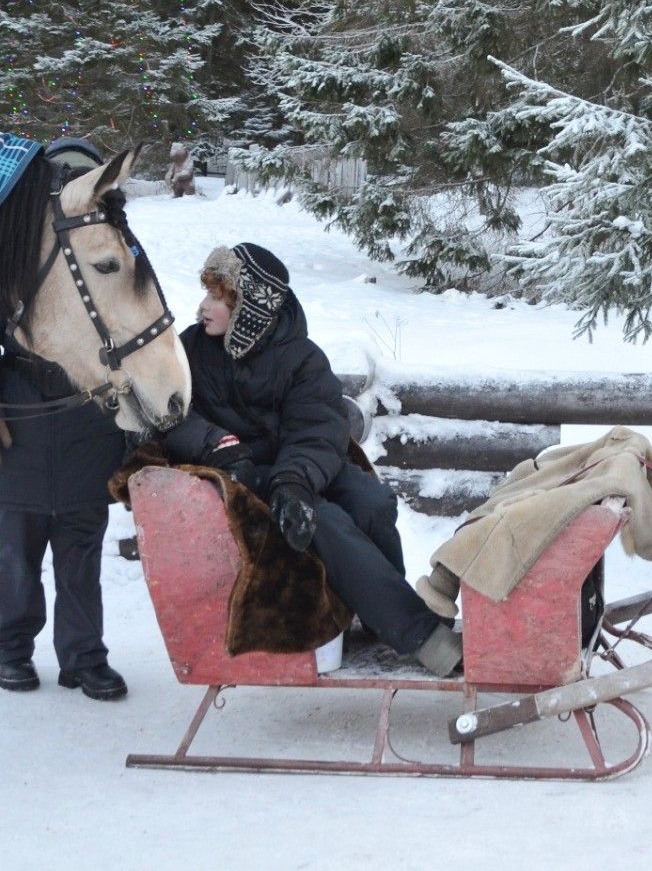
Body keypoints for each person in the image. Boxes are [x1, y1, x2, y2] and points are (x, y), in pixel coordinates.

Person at [160, 243, 461, 676]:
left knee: (371, 501)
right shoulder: (188, 352)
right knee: (327, 521)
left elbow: (317, 429)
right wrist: (215, 443)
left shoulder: (302, 358)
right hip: (242, 473)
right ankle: (421, 635)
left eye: (216, 298)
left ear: (248, 309)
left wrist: (294, 482)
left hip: (301, 466)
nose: (202, 306)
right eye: (206, 294)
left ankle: (379, 613)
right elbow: (169, 414)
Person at [0, 135, 129, 699]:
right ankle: (9, 649)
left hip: (85, 427)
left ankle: (83, 656)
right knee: (14, 557)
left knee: (80, 557)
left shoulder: (108, 254)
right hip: (18, 429)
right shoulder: (12, 256)